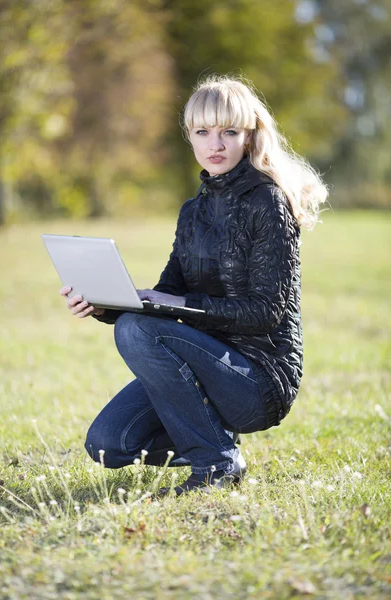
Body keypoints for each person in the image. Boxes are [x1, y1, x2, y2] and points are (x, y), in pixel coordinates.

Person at [59, 75, 328, 495]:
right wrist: (103, 306)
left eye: (228, 132)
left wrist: (175, 303)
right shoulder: (193, 212)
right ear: (190, 137)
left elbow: (264, 312)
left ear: (249, 136)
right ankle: (214, 440)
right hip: (202, 366)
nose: (215, 144)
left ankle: (217, 465)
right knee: (109, 445)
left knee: (136, 330)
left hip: (258, 378)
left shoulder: (268, 202)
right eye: (203, 132)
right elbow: (166, 294)